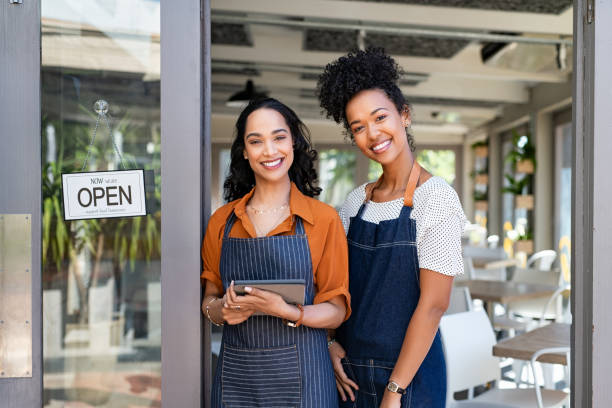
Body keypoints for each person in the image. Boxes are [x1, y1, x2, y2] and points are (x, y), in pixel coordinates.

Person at [317, 48, 467, 408]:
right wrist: (330, 342)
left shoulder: (437, 199)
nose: (372, 133)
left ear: (404, 115)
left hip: (409, 380)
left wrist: (394, 390)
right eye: (358, 127)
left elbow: (433, 305)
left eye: (380, 117)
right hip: (349, 376)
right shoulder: (355, 203)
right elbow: (336, 287)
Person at [201, 98, 351, 408]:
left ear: (293, 141)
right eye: (256, 141)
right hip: (237, 381)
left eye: (279, 137)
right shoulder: (222, 221)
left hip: (306, 380)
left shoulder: (322, 219)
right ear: (244, 151)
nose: (269, 151)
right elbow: (209, 298)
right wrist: (221, 312)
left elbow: (336, 308)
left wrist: (287, 311)